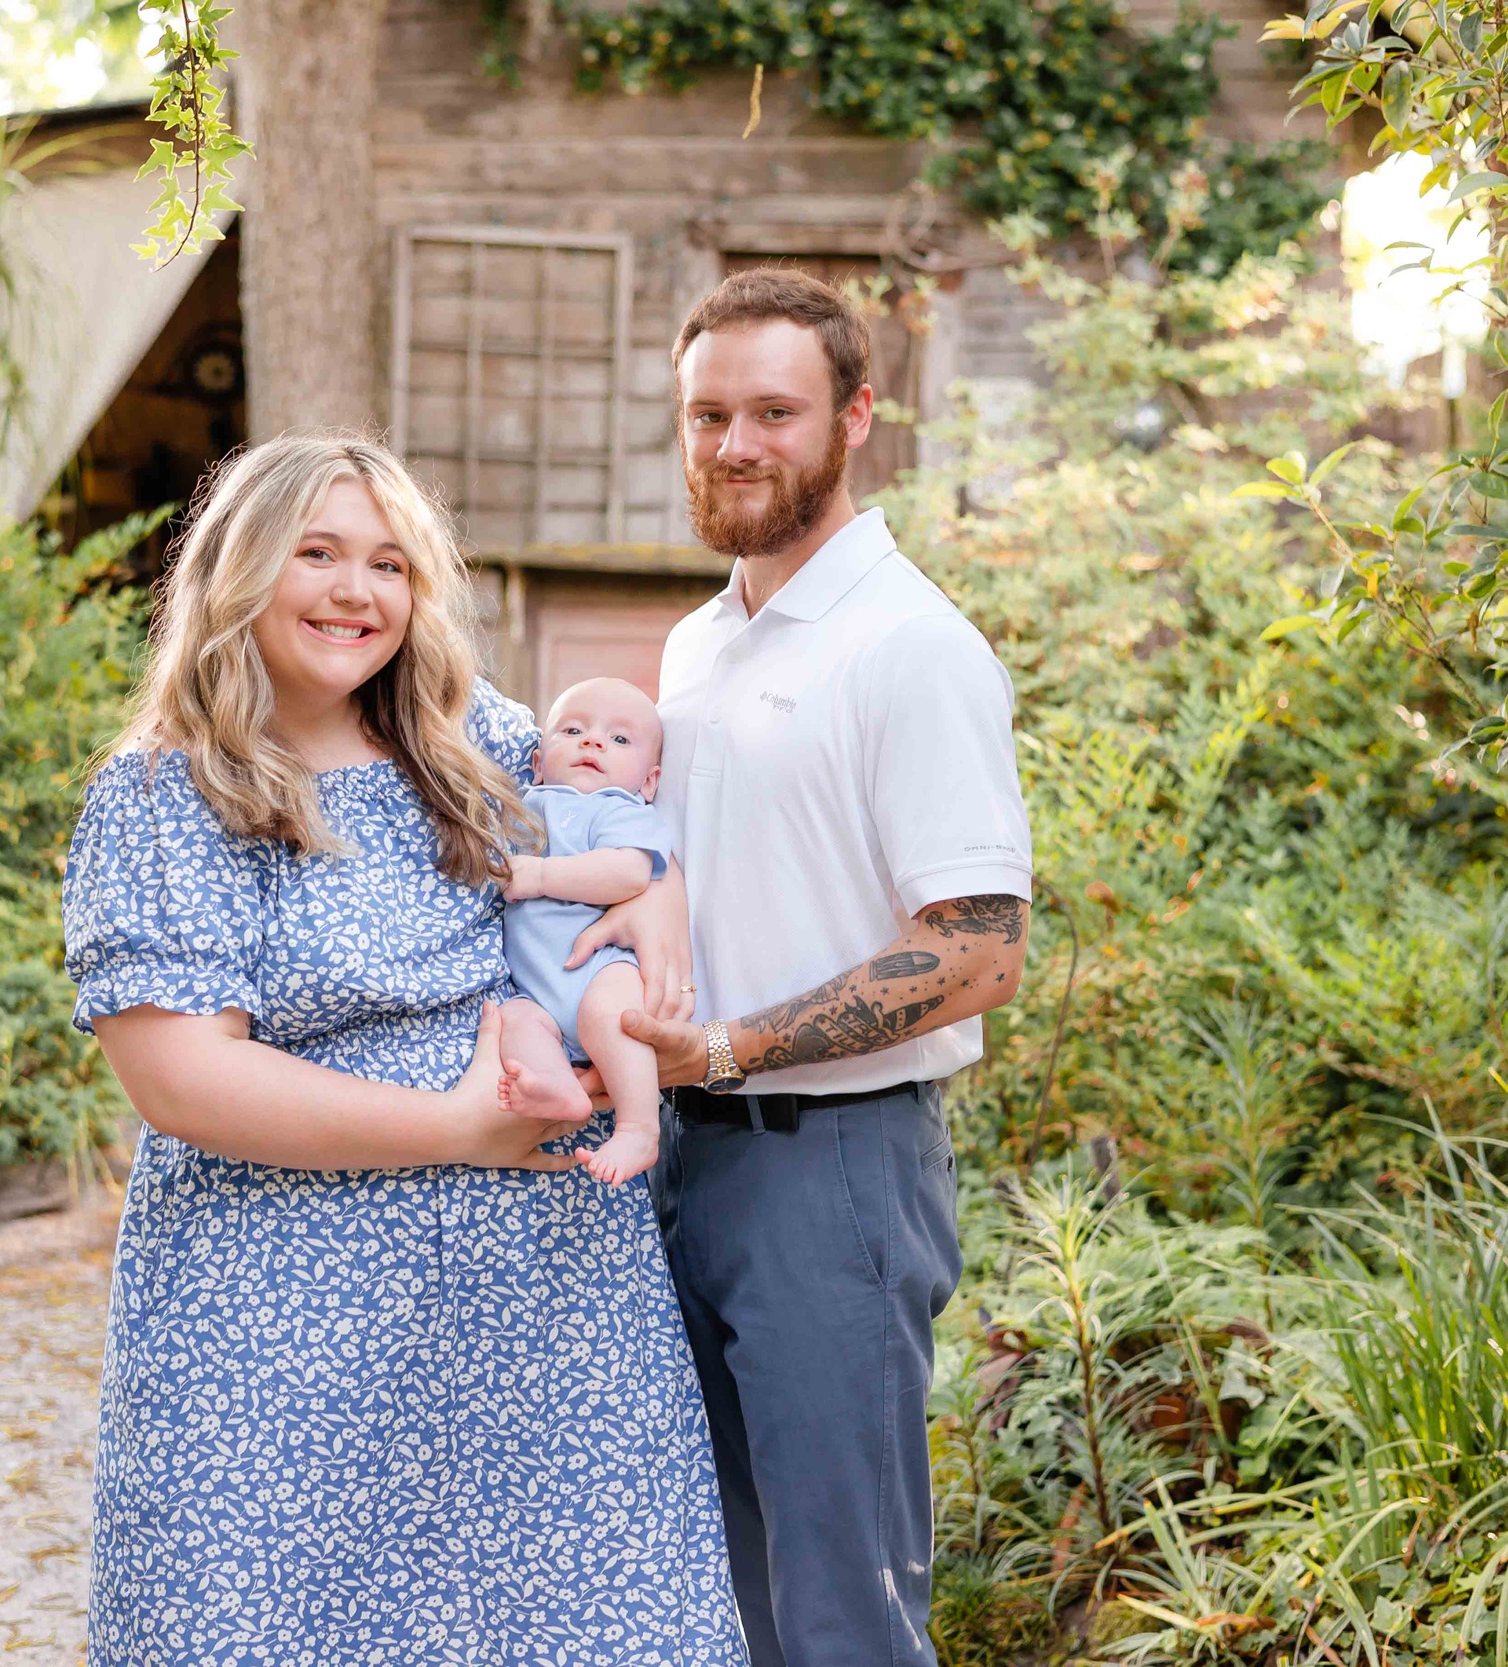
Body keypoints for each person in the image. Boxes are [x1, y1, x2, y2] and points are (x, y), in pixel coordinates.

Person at [61, 433, 744, 1666]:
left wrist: (654, 890)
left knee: (565, 1620)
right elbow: (180, 1078)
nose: (355, 591)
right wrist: (457, 1129)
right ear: (235, 570)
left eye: (388, 563)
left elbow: (618, 823)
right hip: (279, 1312)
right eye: (315, 553)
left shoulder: (475, 738)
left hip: (542, 1292)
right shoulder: (165, 795)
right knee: (273, 1621)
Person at [586, 269, 1034, 1667]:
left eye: (773, 410)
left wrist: (721, 1049)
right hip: (681, 1156)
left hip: (833, 1169)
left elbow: (978, 949)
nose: (735, 443)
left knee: (845, 1608)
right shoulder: (697, 641)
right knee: (721, 1592)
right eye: (708, 412)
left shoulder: (909, 647)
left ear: (856, 419)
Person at [494, 676, 670, 1186]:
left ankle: (639, 1126)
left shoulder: (619, 808)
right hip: (536, 990)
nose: (593, 742)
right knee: (515, 1019)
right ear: (536, 762)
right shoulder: (525, 804)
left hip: (600, 969)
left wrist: (540, 875)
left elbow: (629, 871)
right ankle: (555, 1087)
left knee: (609, 1013)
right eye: (573, 730)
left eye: (619, 739)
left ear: (651, 780)